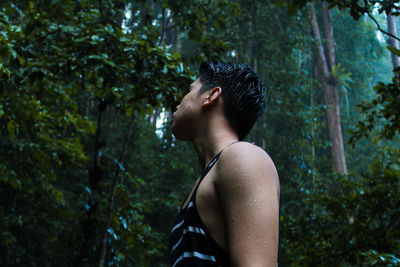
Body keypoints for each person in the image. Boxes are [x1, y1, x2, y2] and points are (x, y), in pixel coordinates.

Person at [169, 61, 280, 267]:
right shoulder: (207, 178)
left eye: (189, 90)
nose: (178, 103)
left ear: (211, 96)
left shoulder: (243, 157)